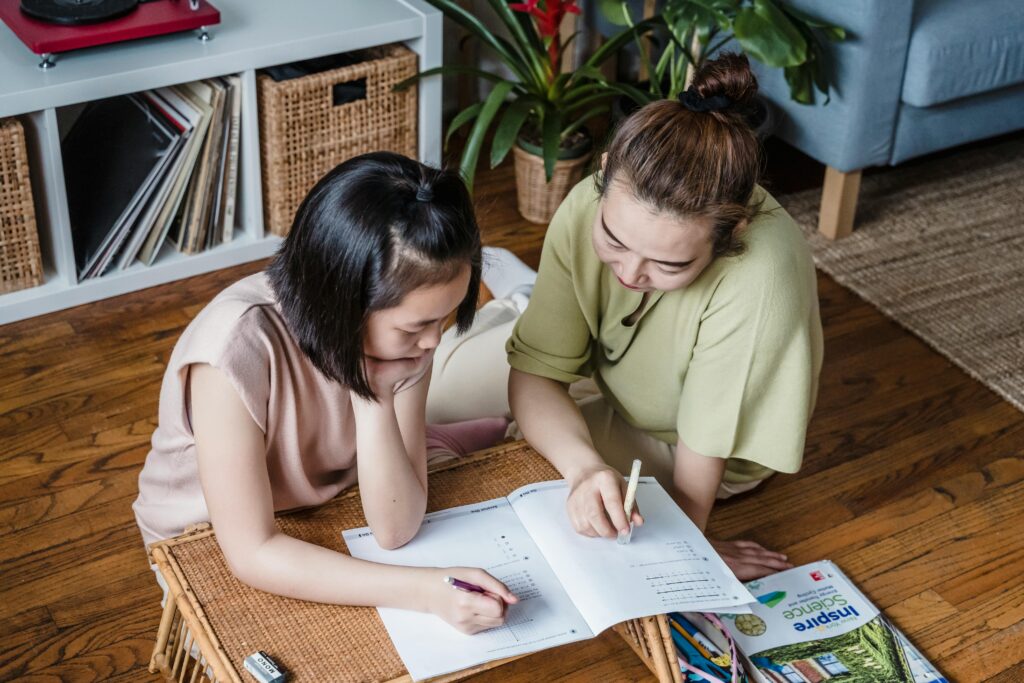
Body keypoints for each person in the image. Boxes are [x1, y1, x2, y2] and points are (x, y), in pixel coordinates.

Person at [434, 54, 823, 580]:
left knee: (519, 471)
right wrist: (584, 465)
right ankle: (533, 303)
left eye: (668, 263)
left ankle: (528, 311)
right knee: (430, 395)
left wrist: (690, 542)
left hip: (688, 443)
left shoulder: (763, 275)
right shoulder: (586, 203)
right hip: (606, 373)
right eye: (613, 241)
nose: (631, 273)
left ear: (732, 235)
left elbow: (704, 443)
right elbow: (537, 376)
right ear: (602, 174)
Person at [133, 152, 517, 634]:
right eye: (417, 325)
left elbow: (396, 529)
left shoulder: (408, 341)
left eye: (444, 318)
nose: (433, 341)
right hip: (211, 533)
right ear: (344, 303)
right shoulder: (234, 348)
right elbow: (252, 553)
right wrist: (425, 591)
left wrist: (374, 399)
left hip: (330, 496)